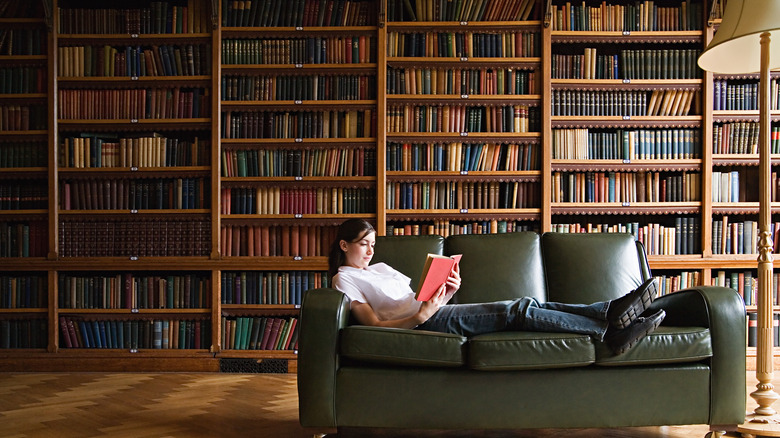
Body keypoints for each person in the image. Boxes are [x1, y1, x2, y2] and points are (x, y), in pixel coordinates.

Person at [328, 218, 665, 355]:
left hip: (434, 312)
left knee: (527, 303)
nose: (371, 250)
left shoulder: (381, 267)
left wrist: (445, 292)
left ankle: (610, 313)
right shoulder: (344, 278)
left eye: (373, 243)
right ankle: (609, 329)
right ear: (344, 246)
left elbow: (415, 299)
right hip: (424, 324)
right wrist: (420, 317)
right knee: (518, 309)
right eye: (363, 244)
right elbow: (374, 325)